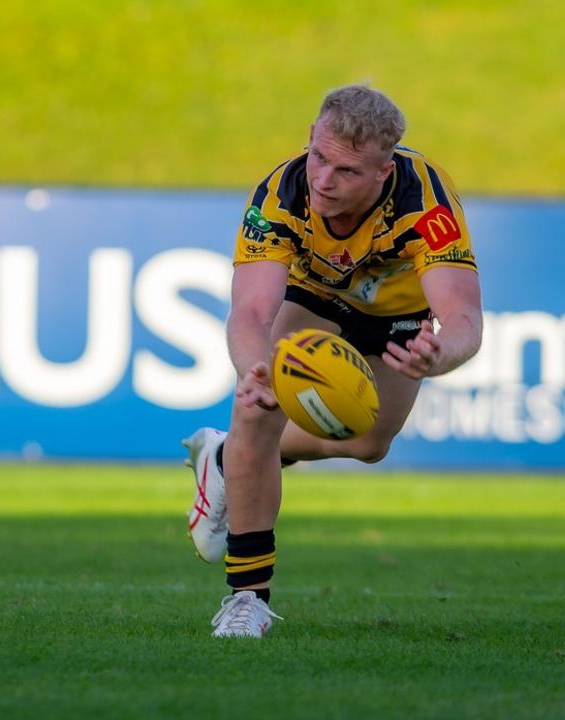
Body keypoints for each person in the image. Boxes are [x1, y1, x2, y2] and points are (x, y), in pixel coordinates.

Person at [185, 84, 483, 638]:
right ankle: (247, 597)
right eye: (318, 157)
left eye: (345, 171)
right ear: (310, 139)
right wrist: (255, 373)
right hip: (313, 296)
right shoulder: (281, 194)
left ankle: (226, 458)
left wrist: (441, 354)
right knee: (257, 409)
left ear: (382, 172)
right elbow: (250, 311)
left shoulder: (426, 203)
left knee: (368, 443)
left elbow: (464, 318)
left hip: (396, 310)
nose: (323, 180)